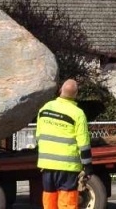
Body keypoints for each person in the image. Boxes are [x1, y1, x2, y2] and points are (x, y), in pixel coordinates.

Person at [35, 79, 92, 209]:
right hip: (68, 168)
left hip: (47, 165)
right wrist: (88, 166)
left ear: (60, 89)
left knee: (49, 202)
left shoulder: (44, 109)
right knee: (67, 204)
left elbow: (38, 136)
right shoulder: (78, 113)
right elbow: (83, 143)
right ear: (76, 94)